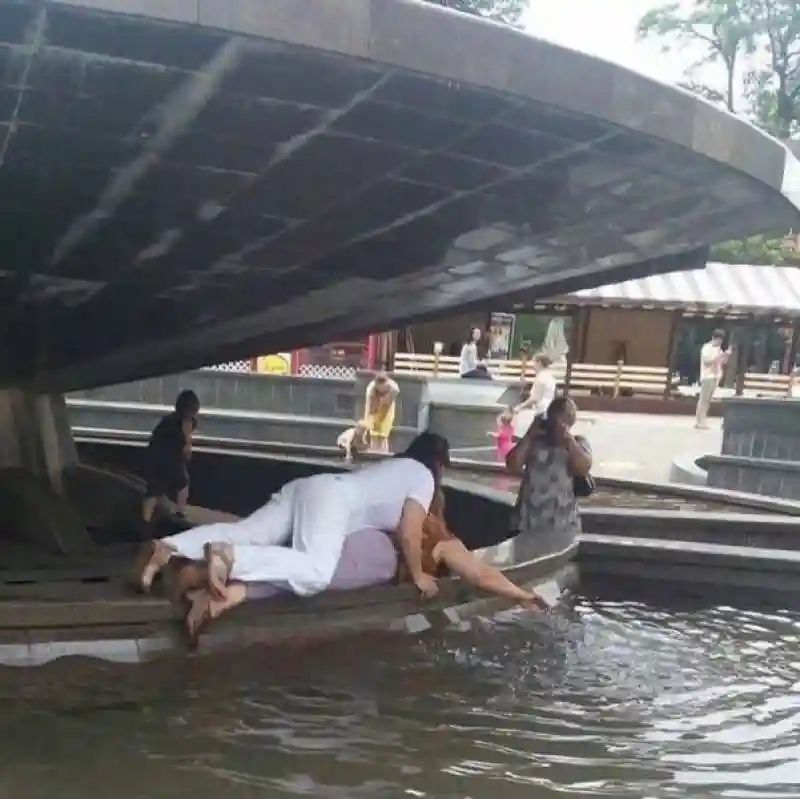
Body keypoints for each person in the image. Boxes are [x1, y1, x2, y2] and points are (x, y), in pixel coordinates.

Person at [132, 432, 452, 635]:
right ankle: (230, 557)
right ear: (438, 464)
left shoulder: (398, 466)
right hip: (331, 501)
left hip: (310, 487)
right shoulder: (423, 477)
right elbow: (410, 532)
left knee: (249, 531)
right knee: (316, 571)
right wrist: (419, 574)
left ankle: (169, 547)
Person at [505, 396, 592, 541]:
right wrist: (529, 436)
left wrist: (568, 441)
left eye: (560, 422)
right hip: (528, 519)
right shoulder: (534, 441)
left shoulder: (577, 443)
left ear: (569, 422)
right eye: (552, 422)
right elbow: (512, 465)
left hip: (562, 520)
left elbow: (583, 468)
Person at [140, 389, 199, 532]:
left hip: (157, 458)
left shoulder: (168, 421)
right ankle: (179, 511)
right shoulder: (186, 422)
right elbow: (186, 445)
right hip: (167, 459)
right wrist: (186, 453)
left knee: (154, 491)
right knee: (180, 483)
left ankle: (145, 522)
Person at [695, 329, 730, 430]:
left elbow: (722, 362)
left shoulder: (718, 349)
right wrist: (720, 356)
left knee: (708, 400)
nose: (720, 343)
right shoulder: (707, 347)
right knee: (704, 400)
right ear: (714, 338)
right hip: (707, 376)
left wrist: (726, 356)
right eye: (719, 340)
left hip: (715, 376)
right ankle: (699, 421)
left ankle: (702, 420)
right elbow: (707, 361)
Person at [363, 369, 400, 453]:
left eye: (383, 388)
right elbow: (368, 407)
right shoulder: (371, 389)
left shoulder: (393, 388)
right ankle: (373, 452)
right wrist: (367, 421)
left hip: (387, 408)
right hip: (374, 406)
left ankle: (383, 453)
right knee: (374, 433)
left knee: (383, 435)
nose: (381, 390)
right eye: (379, 388)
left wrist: (382, 416)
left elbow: (388, 405)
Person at [514, 352, 557, 419]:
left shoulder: (540, 379)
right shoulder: (551, 377)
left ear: (539, 363)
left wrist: (519, 407)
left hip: (540, 412)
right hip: (549, 410)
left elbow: (534, 399)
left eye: (534, 362)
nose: (532, 365)